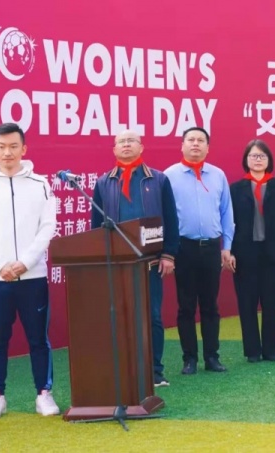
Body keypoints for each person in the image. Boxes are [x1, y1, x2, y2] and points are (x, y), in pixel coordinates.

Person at [0, 122, 59, 419]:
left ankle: (43, 393)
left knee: (38, 338)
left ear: (24, 149)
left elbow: (47, 227)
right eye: (2, 147)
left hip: (32, 277)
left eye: (13, 147)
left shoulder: (40, 185)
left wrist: (26, 261)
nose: (8, 153)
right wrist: (0, 265)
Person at [92, 130, 180, 386]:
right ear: (114, 149)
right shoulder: (103, 182)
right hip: (117, 263)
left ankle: (155, 370)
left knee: (151, 315)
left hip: (150, 262)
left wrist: (169, 254)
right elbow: (96, 226)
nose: (126, 144)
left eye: (131, 141)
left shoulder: (159, 179)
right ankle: (124, 369)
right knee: (119, 316)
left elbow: (171, 219)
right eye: (121, 141)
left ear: (141, 147)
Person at [165, 127, 234, 374]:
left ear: (208, 147)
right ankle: (189, 358)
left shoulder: (218, 175)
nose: (196, 144)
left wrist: (227, 247)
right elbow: (163, 216)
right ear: (182, 145)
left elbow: (227, 213)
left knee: (210, 305)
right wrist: (168, 252)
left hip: (211, 248)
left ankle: (212, 356)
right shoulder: (169, 176)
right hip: (184, 247)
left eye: (201, 140)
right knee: (185, 306)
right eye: (191, 140)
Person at [229, 140, 275, 362]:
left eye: (261, 156)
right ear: (245, 160)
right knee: (247, 303)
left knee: (271, 302)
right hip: (244, 254)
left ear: (268, 160)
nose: (257, 160)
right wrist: (228, 250)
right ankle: (252, 351)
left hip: (273, 254)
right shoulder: (236, 188)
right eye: (253, 156)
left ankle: (271, 350)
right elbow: (228, 223)